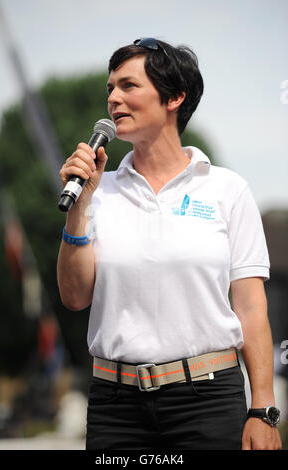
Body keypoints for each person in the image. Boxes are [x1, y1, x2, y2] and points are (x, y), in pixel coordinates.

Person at [57, 38, 282, 451]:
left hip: (209, 401)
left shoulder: (226, 190)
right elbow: (73, 297)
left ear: (174, 97)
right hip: (115, 406)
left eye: (128, 86)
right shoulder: (98, 194)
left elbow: (251, 308)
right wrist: (80, 206)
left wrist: (262, 408)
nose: (113, 99)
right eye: (110, 89)